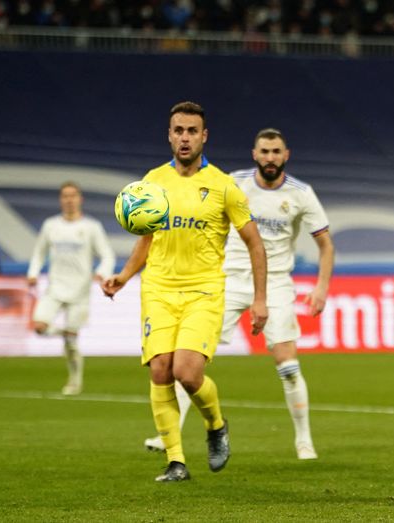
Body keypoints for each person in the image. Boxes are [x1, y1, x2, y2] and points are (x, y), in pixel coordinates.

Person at [102, 101, 268, 482]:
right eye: (178, 130)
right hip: (158, 288)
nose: (185, 137)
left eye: (192, 131)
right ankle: (176, 461)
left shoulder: (225, 186)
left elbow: (255, 244)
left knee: (187, 373)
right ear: (169, 134)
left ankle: (216, 424)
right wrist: (125, 276)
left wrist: (259, 299)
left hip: (203, 291)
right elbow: (146, 237)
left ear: (204, 136)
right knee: (160, 370)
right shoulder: (153, 181)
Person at [142, 128, 333, 460]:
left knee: (286, 363)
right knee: (186, 359)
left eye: (276, 151)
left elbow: (325, 244)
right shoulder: (232, 183)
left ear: (285, 155)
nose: (270, 157)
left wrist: (321, 287)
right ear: (254, 154)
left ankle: (304, 439)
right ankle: (167, 436)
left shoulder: (301, 193)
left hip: (274, 283)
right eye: (264, 151)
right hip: (226, 279)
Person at [27, 182, 115, 396]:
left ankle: (75, 381)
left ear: (80, 199)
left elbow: (107, 255)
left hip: (80, 291)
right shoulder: (51, 225)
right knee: (39, 326)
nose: (69, 200)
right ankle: (65, 333)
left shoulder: (91, 227)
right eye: (65, 196)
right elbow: (39, 252)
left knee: (72, 343)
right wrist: (33, 273)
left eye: (73, 196)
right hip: (55, 288)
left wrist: (102, 272)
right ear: (60, 199)